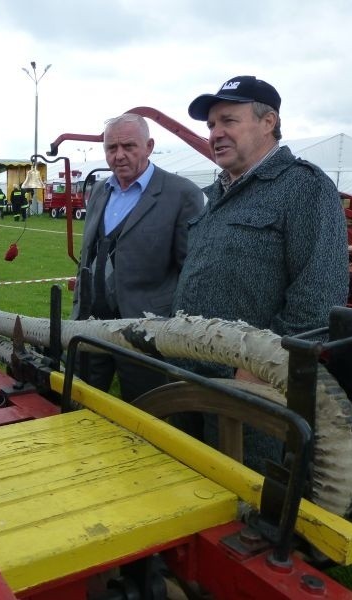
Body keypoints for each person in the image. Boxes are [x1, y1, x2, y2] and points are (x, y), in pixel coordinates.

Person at [172, 76, 348, 471]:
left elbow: (318, 297)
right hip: (189, 371)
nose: (216, 133)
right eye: (211, 125)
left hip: (252, 388)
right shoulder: (217, 194)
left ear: (268, 122)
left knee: (248, 502)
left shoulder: (304, 186)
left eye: (228, 121)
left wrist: (259, 369)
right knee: (190, 484)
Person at [71, 113, 204, 401]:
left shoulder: (182, 195)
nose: (119, 156)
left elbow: (189, 273)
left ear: (149, 146)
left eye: (129, 146)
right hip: (90, 325)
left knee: (144, 414)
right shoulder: (99, 191)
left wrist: (171, 329)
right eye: (111, 148)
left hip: (144, 332)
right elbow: (89, 254)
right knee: (80, 405)